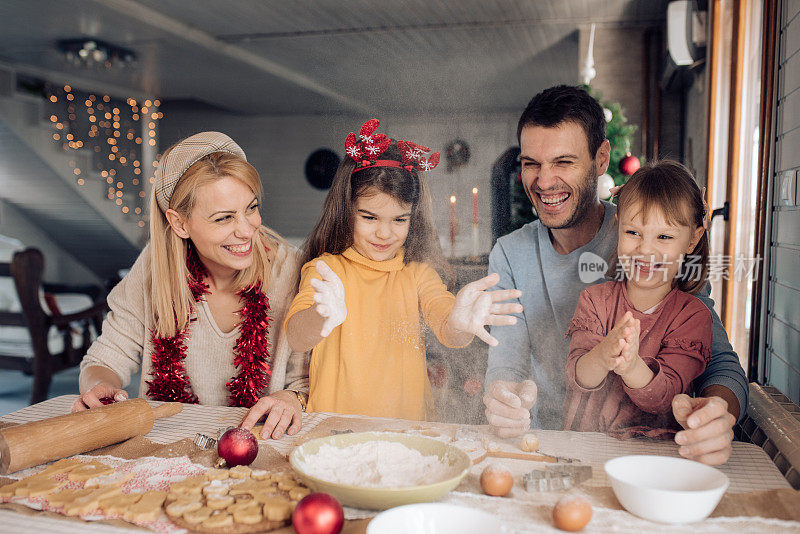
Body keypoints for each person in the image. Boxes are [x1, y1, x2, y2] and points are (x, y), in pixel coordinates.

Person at [483, 85, 748, 466]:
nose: (543, 182)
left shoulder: (654, 242)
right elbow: (505, 364)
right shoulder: (509, 253)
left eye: (563, 162)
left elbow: (718, 362)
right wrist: (503, 399)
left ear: (602, 157)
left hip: (653, 454)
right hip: (543, 447)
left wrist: (716, 415)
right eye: (530, 163)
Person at [75, 132, 309, 441]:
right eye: (224, 218)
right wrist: (99, 387)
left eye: (251, 208)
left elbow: (306, 381)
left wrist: (292, 398)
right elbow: (104, 360)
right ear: (180, 223)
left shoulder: (291, 271)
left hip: (263, 445)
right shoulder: (152, 270)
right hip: (168, 446)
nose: (247, 230)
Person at [285, 119, 522, 420]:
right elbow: (296, 337)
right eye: (370, 218)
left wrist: (460, 323)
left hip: (407, 433)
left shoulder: (418, 274)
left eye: (399, 219)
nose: (385, 233)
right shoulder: (327, 271)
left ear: (413, 218)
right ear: (346, 210)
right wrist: (320, 316)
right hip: (335, 432)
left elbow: (447, 325)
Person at [564, 161, 712, 438]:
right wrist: (603, 354)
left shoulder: (693, 316)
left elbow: (666, 397)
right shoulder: (595, 301)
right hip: (586, 447)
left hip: (657, 458)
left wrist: (631, 367)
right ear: (619, 226)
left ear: (692, 240)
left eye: (664, 236)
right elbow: (578, 377)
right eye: (633, 233)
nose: (645, 249)